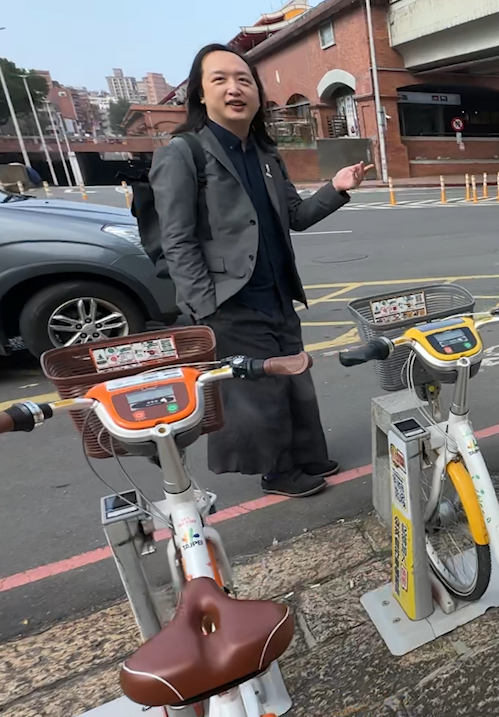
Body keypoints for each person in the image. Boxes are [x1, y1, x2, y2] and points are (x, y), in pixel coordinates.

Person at [150, 43, 371, 497]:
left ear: (256, 93)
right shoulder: (184, 152)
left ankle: (307, 455)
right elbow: (176, 239)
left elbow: (295, 216)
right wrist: (204, 306)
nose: (235, 89)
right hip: (230, 300)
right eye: (220, 79)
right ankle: (277, 472)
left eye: (244, 79)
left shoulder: (266, 155)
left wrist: (336, 188)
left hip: (277, 293)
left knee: (294, 376)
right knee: (259, 391)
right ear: (200, 94)